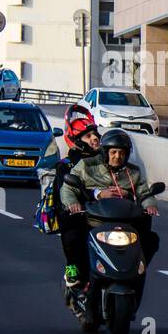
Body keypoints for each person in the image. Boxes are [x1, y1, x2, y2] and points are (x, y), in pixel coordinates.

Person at [59, 129, 160, 289]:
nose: (117, 157)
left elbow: (144, 193)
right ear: (105, 152)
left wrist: (150, 205)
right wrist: (75, 202)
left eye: (121, 153)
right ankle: (73, 267)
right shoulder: (87, 165)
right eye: (113, 152)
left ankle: (137, 269)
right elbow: (68, 188)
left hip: (124, 221)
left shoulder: (133, 172)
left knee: (151, 239)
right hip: (93, 218)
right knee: (71, 227)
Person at [56, 113, 102, 287]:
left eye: (96, 135)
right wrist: (80, 202)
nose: (94, 138)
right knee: (73, 230)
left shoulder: (106, 161)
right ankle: (71, 267)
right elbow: (66, 194)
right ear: (76, 139)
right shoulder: (66, 165)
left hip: (106, 213)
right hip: (79, 213)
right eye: (88, 136)